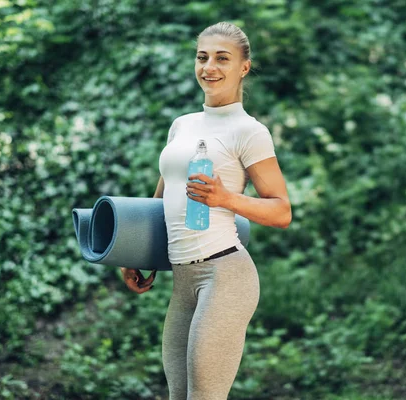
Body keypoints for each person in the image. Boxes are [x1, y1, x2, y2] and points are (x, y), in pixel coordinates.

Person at [120, 21, 291, 400]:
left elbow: (281, 212)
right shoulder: (181, 125)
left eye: (222, 58)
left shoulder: (249, 131)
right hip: (183, 282)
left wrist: (225, 199)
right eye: (202, 57)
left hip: (225, 277)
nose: (209, 67)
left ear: (243, 67)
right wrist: (135, 251)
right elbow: (162, 198)